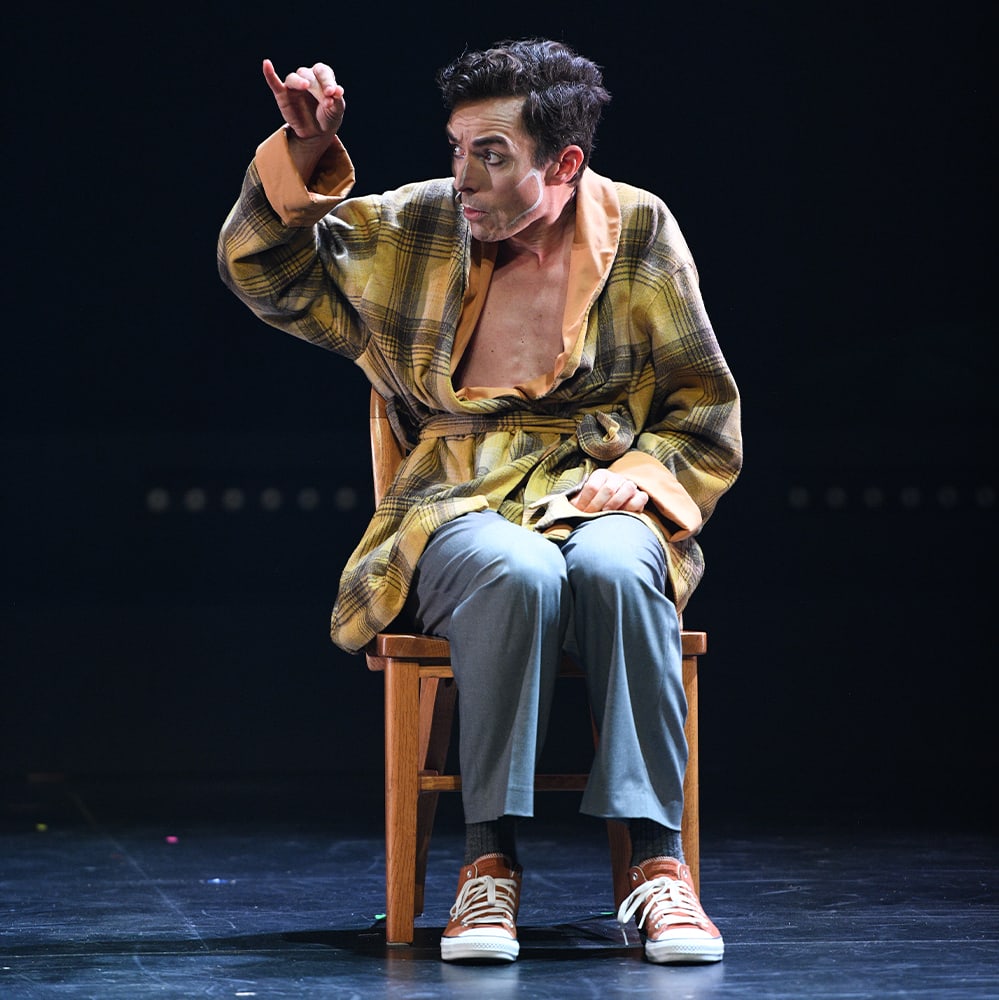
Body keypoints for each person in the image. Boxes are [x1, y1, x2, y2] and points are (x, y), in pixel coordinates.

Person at [219, 38, 742, 965]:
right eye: (458, 148)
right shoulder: (421, 225)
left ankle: (659, 866)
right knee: (517, 570)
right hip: (456, 499)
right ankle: (488, 861)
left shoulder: (638, 229)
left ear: (564, 163)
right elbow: (264, 271)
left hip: (593, 486)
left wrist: (644, 475)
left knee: (622, 563)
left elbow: (703, 405)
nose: (463, 175)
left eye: (491, 155)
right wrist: (304, 154)